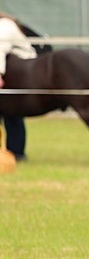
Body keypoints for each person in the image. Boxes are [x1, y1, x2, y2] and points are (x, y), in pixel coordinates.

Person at [0, 13, 37, 160]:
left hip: (18, 77)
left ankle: (17, 153)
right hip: (11, 76)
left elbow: (0, 48)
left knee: (13, 116)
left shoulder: (5, 25)